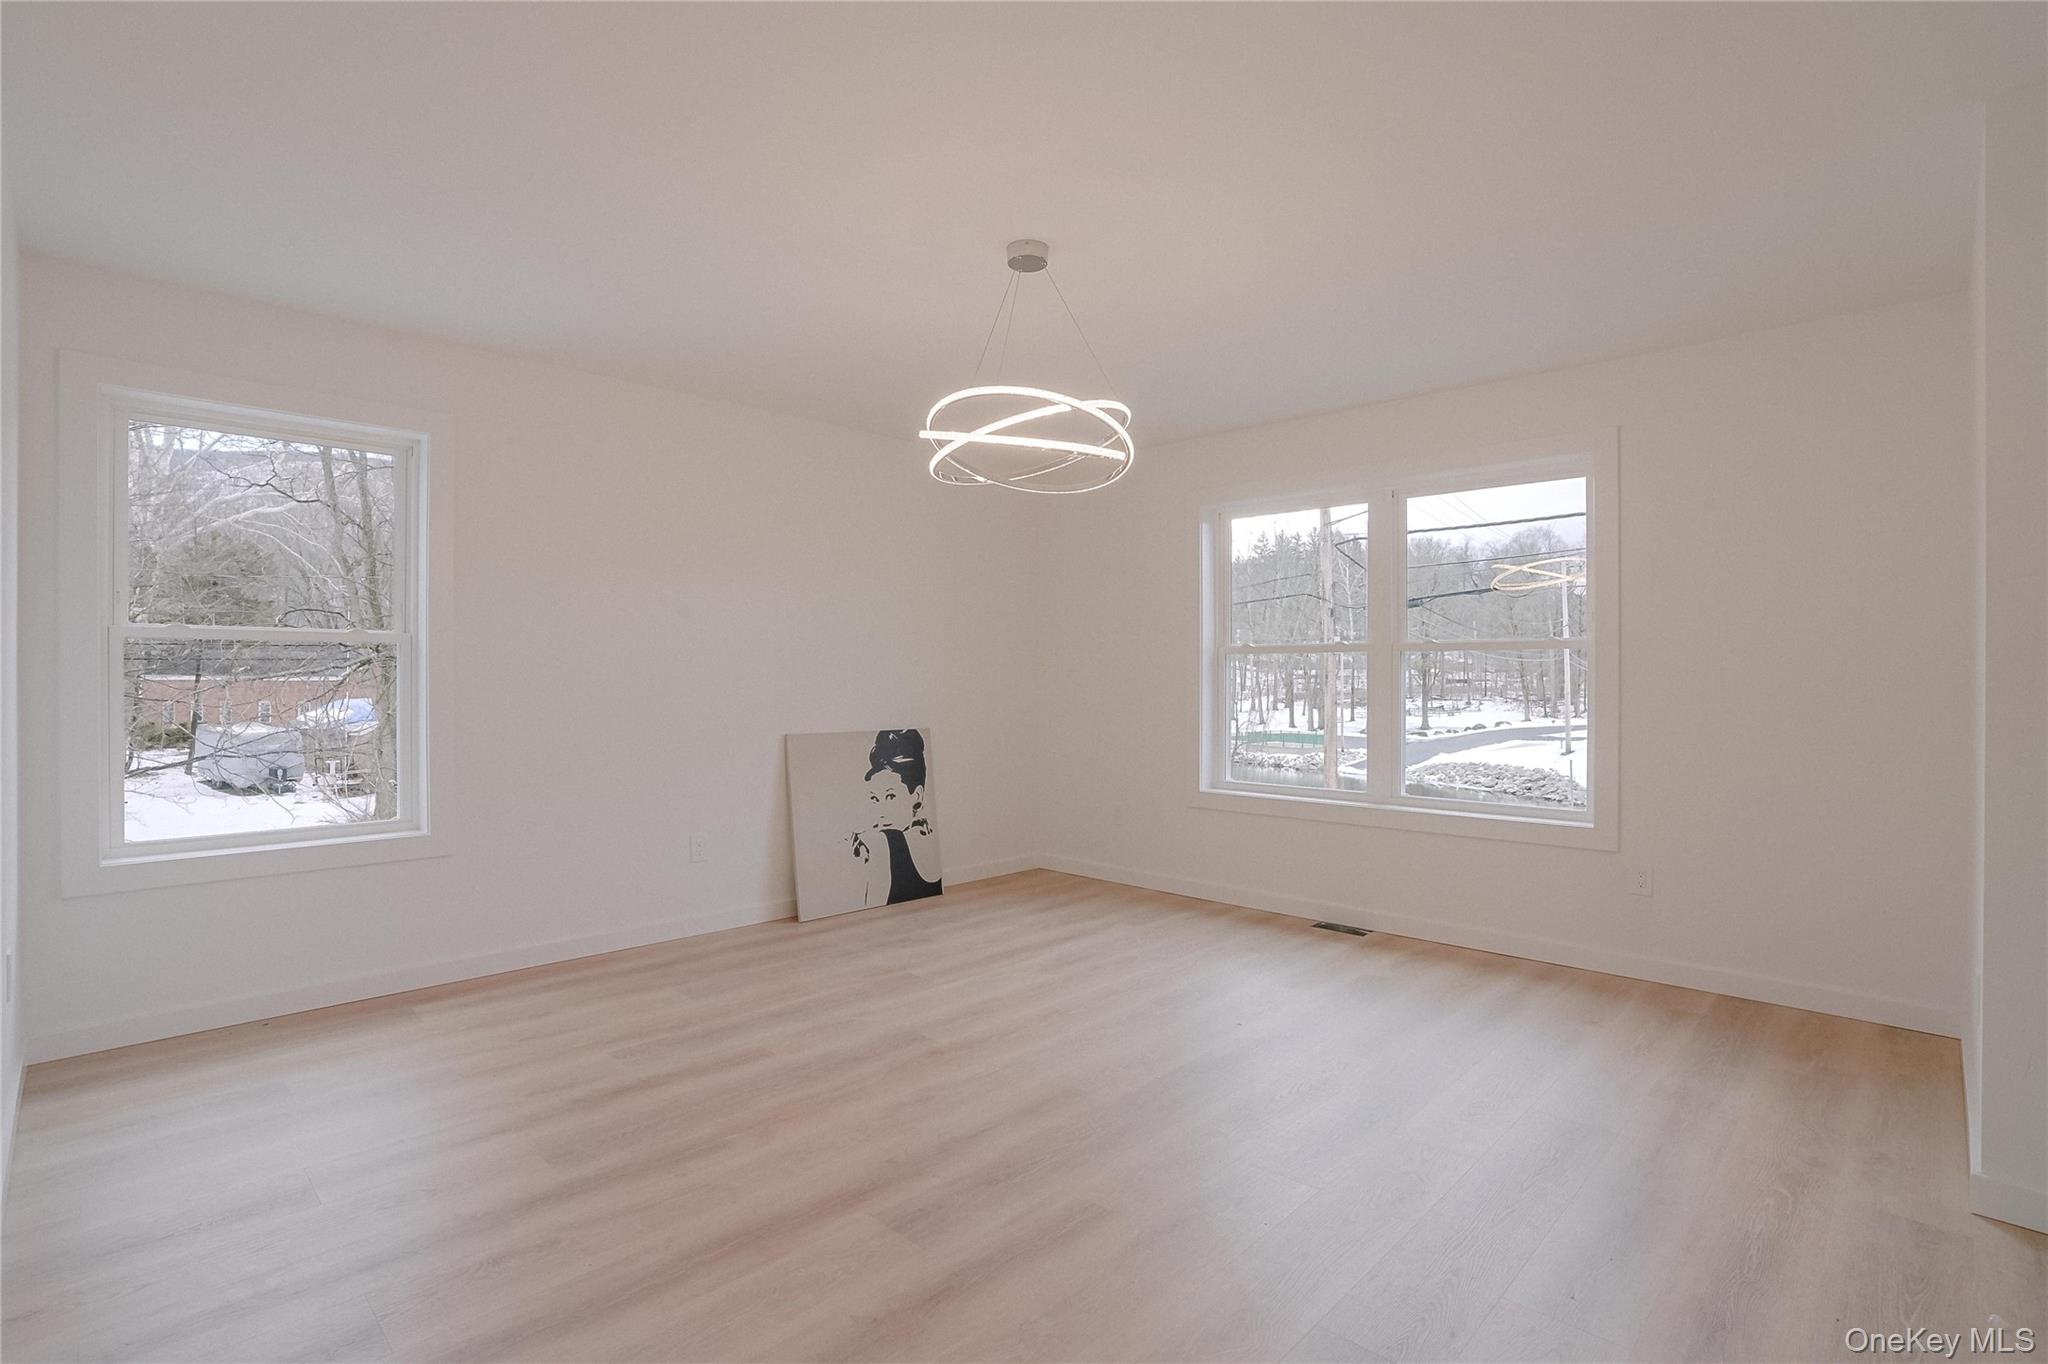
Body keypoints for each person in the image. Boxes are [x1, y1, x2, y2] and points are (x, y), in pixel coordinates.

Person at [850, 729, 942, 906]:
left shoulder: (883, 843)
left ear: (916, 796)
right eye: (875, 799)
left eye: (891, 797)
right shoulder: (928, 837)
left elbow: (870, 915)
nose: (881, 811)